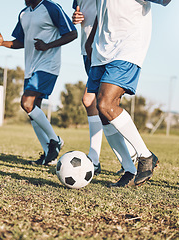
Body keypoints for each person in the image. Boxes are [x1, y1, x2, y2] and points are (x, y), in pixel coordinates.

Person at [0, 0, 77, 165]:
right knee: (33, 112)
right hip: (30, 68)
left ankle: (55, 141)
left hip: (48, 66)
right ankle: (48, 155)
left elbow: (72, 33)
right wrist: (3, 43)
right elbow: (21, 41)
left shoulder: (51, 8)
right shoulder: (24, 13)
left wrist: (48, 46)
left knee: (27, 103)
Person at [86, 0, 159, 187]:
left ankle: (145, 156)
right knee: (102, 112)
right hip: (101, 49)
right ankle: (129, 169)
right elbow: (104, 11)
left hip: (127, 47)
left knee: (105, 104)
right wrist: (91, 38)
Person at [71, 0, 137, 176]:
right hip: (88, 49)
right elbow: (83, 14)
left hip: (104, 47)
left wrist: (92, 42)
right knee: (103, 106)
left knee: (99, 103)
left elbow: (107, 13)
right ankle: (129, 157)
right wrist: (76, 18)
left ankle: (100, 158)